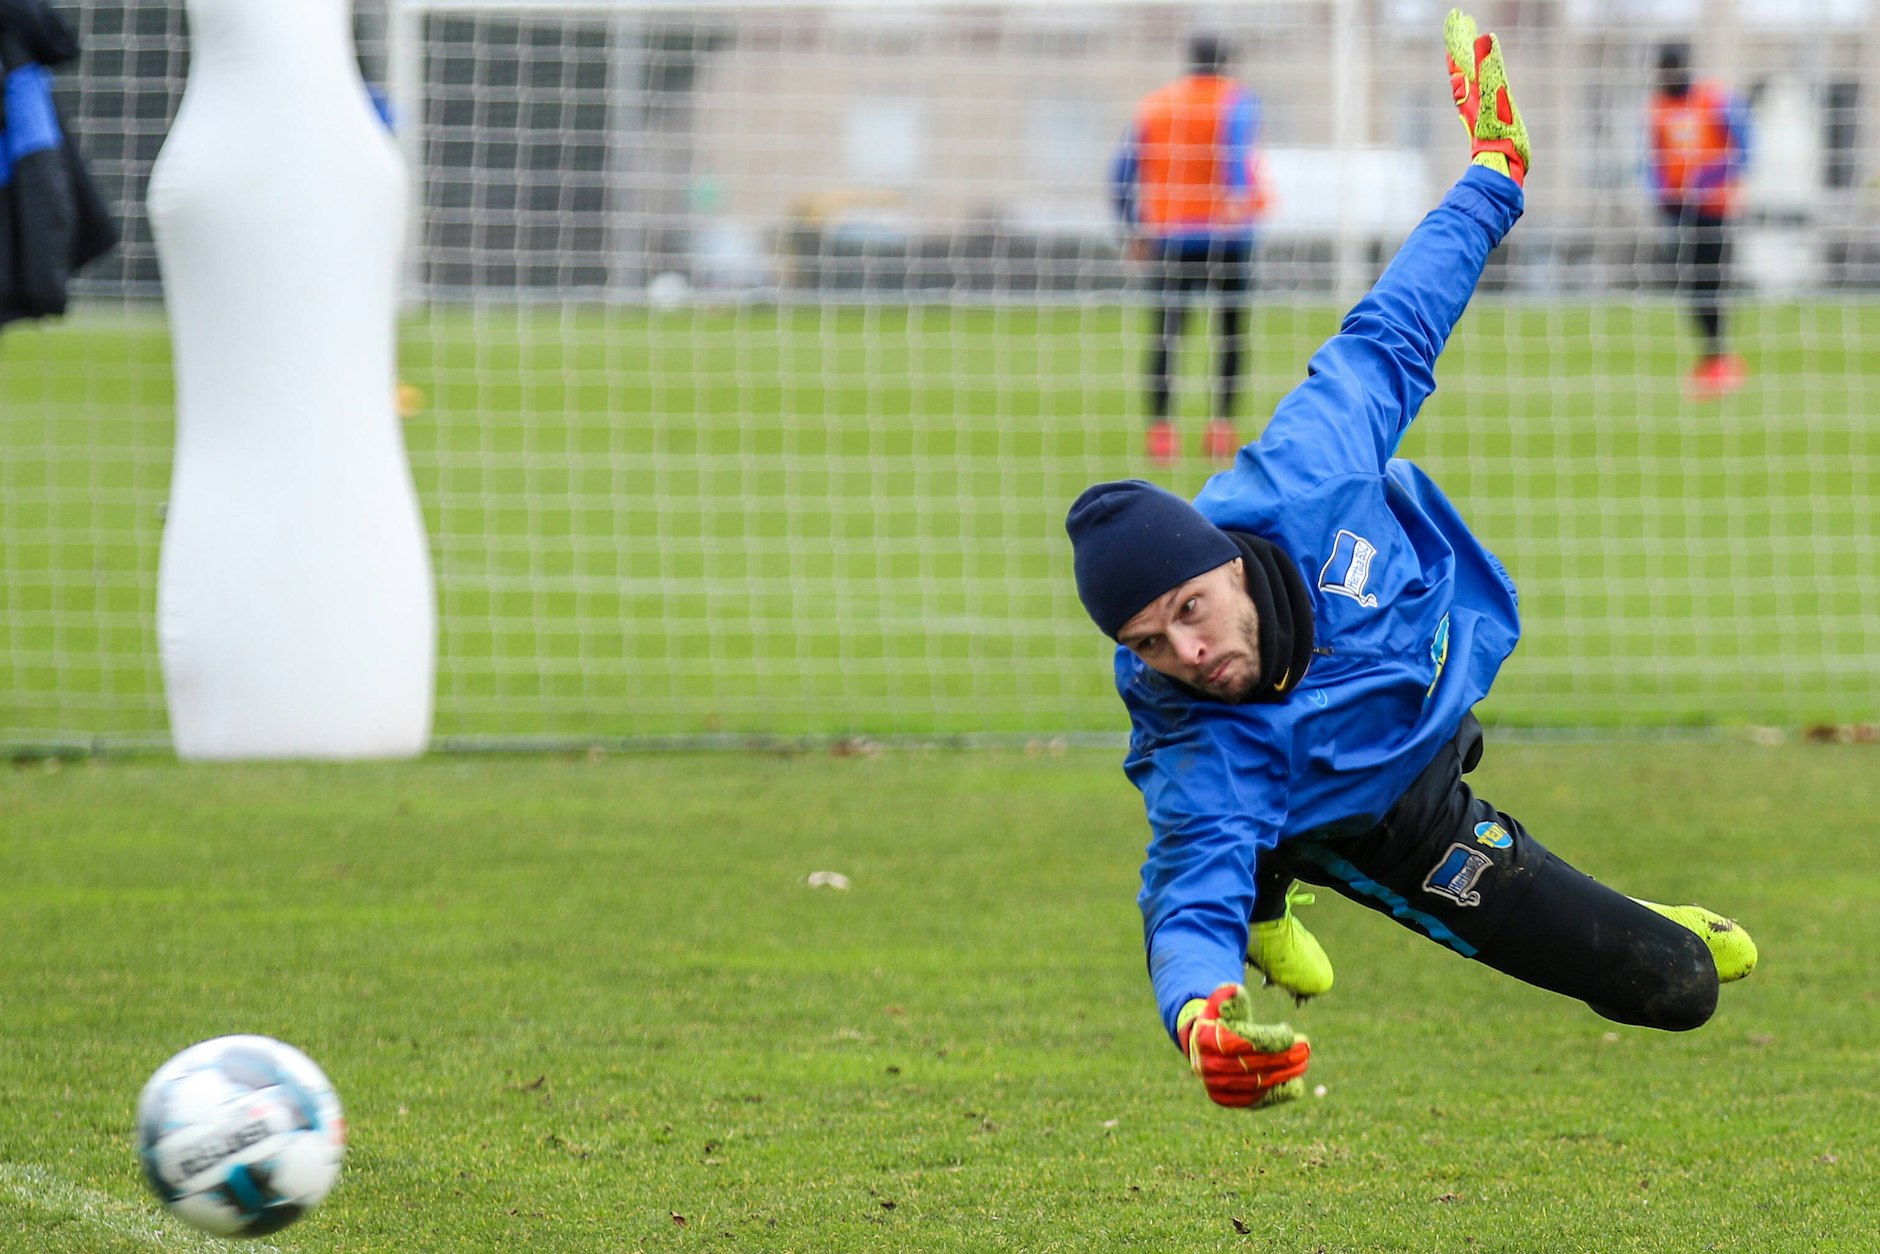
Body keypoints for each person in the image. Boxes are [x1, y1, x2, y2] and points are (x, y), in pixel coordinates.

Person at [1066, 11, 1758, 1111]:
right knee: (1665, 988)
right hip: (1371, 814)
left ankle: (1293, 874)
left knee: (1671, 984)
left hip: (1420, 693)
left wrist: (1493, 172)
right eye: (1147, 642)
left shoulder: (1305, 471)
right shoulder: (1199, 735)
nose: (1185, 652)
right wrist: (1198, 1018)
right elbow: (1180, 891)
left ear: (1225, 560)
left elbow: (1393, 327)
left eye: (1188, 609)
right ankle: (1278, 875)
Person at [1111, 32, 1268, 467]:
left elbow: (1122, 169)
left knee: (1166, 334)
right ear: (1225, 63)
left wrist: (1131, 228)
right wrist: (1239, 201)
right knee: (1230, 333)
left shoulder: (1156, 104)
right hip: (1226, 235)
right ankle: (1220, 428)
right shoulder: (1236, 100)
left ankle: (1161, 432)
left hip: (1168, 235)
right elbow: (1236, 158)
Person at [1647, 42, 1752, 399]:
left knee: (1710, 283)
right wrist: (1663, 194)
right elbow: (1655, 159)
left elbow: (1744, 149)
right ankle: (1712, 359)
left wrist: (1708, 178)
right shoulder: (1658, 108)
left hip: (1713, 207)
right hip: (1678, 211)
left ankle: (1721, 360)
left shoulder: (1714, 100)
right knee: (1689, 285)